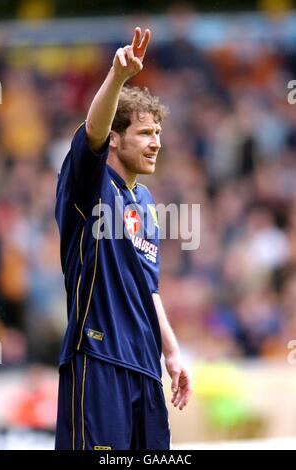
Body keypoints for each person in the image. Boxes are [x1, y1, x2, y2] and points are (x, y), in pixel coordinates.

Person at [55, 27, 192, 450]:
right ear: (115, 139)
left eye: (159, 135)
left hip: (146, 371)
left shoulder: (147, 203)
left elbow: (148, 288)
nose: (156, 144)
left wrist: (170, 351)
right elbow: (93, 130)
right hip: (97, 362)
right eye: (145, 134)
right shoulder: (88, 182)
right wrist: (117, 77)